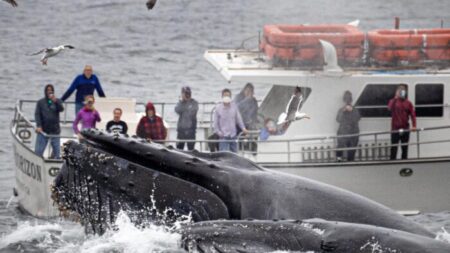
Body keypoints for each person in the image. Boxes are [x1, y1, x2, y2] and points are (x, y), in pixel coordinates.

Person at [34, 84, 64, 158]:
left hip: (55, 131)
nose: (49, 91)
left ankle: (55, 164)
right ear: (45, 91)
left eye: (51, 90)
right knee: (38, 153)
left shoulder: (57, 101)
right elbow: (37, 114)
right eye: (48, 90)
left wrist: (56, 101)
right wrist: (39, 126)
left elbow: (61, 109)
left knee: (58, 154)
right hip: (43, 131)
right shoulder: (40, 102)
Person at [388, 85, 417, 160]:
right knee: (393, 148)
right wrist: (395, 98)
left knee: (404, 148)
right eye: (400, 92)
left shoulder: (408, 103)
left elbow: (413, 115)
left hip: (405, 128)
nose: (402, 93)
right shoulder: (393, 101)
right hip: (395, 128)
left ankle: (404, 162)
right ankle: (392, 163)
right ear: (397, 92)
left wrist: (414, 125)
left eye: (403, 92)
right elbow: (389, 108)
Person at [336, 91, 361, 162]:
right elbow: (338, 119)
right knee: (340, 148)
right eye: (346, 98)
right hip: (343, 133)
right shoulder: (341, 110)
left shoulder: (355, 110)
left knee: (351, 154)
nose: (348, 101)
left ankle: (347, 161)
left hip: (353, 133)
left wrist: (352, 111)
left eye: (349, 98)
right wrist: (343, 111)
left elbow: (357, 119)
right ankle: (339, 160)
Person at [175, 86, 198, 150]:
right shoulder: (180, 103)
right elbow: (177, 110)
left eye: (188, 93)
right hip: (181, 131)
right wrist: (182, 102)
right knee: (179, 150)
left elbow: (193, 111)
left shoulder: (194, 103)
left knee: (191, 150)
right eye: (185, 93)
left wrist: (187, 102)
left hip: (191, 131)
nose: (187, 95)